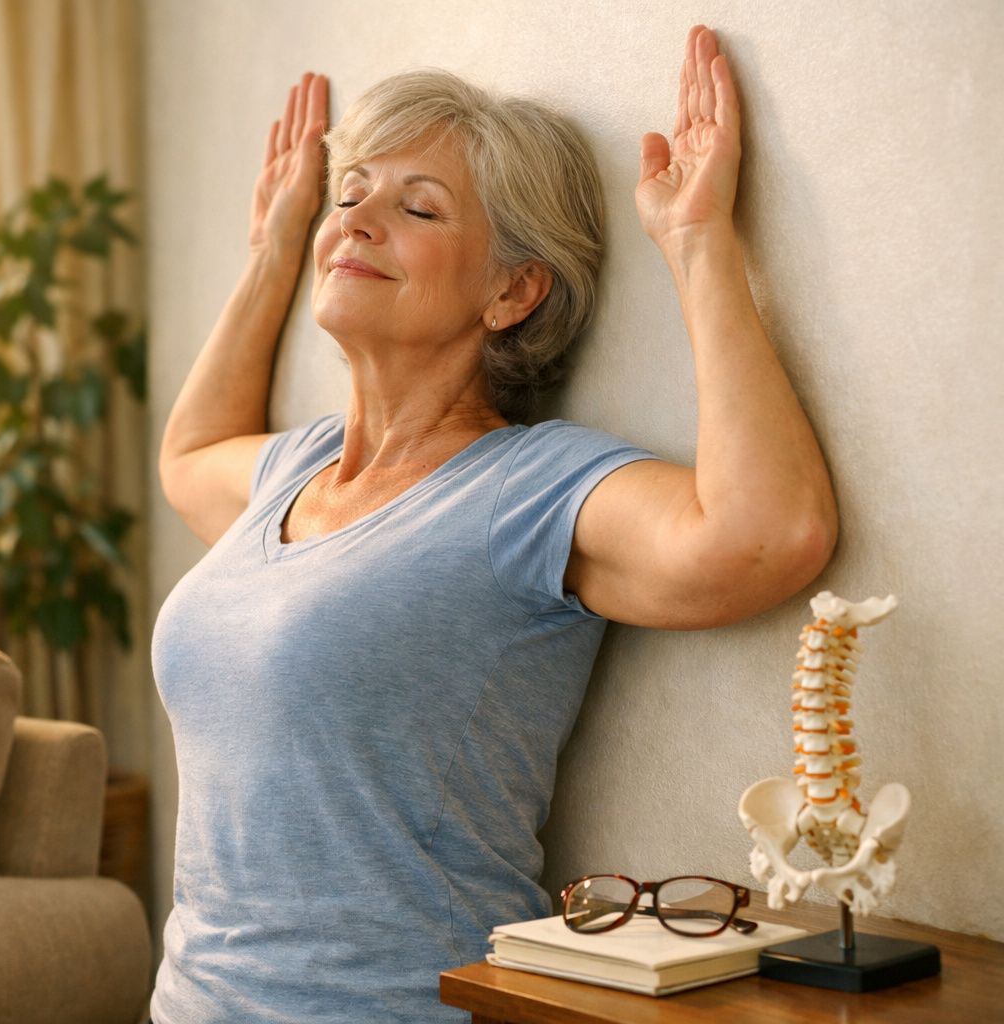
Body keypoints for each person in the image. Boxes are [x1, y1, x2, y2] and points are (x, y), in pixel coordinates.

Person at [151, 26, 837, 1024]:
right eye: (351, 197)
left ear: (512, 290)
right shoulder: (290, 469)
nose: (358, 221)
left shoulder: (525, 489)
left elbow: (768, 536)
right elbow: (186, 457)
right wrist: (271, 250)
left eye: (416, 206)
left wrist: (698, 246)